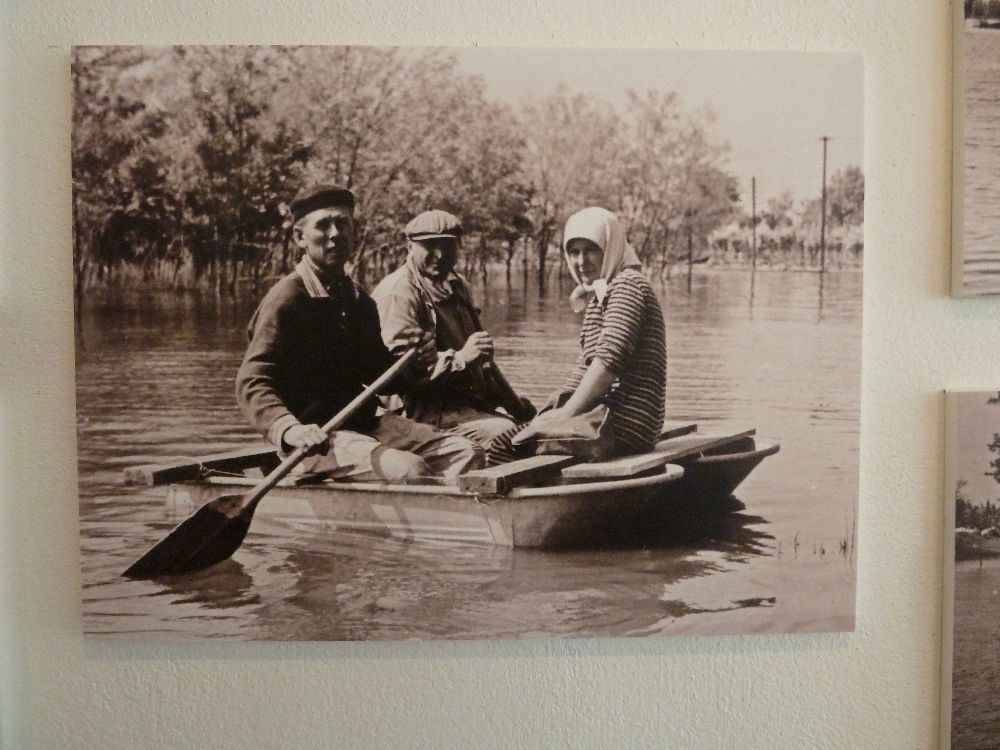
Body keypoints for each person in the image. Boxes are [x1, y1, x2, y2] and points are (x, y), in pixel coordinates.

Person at [235, 186, 484, 481]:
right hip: (313, 441)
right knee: (408, 470)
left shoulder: (357, 300)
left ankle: (450, 519)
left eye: (343, 223)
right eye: (323, 225)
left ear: (353, 232)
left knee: (467, 452)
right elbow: (252, 381)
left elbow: (378, 373)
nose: (335, 234)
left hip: (365, 426)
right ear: (300, 238)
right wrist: (290, 429)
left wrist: (415, 363)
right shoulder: (287, 300)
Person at [491, 206, 666, 463]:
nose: (581, 262)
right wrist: (553, 410)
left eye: (590, 250)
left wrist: (565, 415)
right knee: (522, 429)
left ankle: (527, 502)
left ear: (609, 248)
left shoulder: (628, 285)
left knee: (504, 446)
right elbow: (584, 368)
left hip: (623, 421)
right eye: (574, 252)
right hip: (608, 416)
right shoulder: (600, 294)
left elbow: (608, 363)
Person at [371, 209, 534, 449]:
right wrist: (460, 359)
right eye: (430, 245)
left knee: (530, 428)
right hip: (417, 413)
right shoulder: (399, 294)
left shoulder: (457, 287)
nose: (439, 255)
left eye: (447, 246)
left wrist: (517, 408)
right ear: (410, 246)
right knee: (507, 434)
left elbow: (484, 364)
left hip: (461, 405)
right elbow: (398, 376)